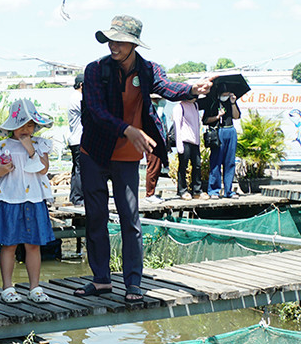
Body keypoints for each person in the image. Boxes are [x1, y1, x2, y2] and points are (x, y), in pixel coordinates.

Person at [77, 15, 210, 303]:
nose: (114, 45)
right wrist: (127, 129)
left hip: (126, 156)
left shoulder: (149, 70)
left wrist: (192, 90)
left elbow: (168, 88)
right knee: (96, 218)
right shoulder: (95, 70)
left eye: (120, 41)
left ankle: (133, 283)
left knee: (130, 219)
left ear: (133, 44)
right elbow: (97, 112)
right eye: (111, 39)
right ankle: (101, 280)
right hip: (94, 153)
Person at [0, 99, 55, 303]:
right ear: (11, 127)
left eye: (30, 124)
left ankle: (35, 287)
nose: (26, 129)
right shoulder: (1, 147)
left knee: (33, 244)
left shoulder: (40, 145)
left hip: (34, 199)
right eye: (21, 125)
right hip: (10, 199)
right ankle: (7, 287)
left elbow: (43, 169)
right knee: (9, 244)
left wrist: (30, 148)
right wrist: (1, 170)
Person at [205, 92, 242, 199]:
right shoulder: (212, 103)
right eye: (225, 92)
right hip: (218, 131)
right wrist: (217, 116)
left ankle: (228, 190)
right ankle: (214, 191)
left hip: (230, 130)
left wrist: (233, 103)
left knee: (230, 162)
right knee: (216, 162)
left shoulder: (231, 102)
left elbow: (236, 116)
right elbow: (206, 120)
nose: (227, 93)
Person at [171, 97, 205, 200]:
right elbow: (177, 125)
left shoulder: (195, 105)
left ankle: (197, 190)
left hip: (195, 141)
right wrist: (179, 144)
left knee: (197, 165)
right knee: (183, 166)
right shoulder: (179, 107)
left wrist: (198, 141)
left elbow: (197, 124)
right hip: (184, 140)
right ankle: (182, 190)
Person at [142, 100, 171, 204]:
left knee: (158, 167)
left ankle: (152, 193)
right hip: (152, 141)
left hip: (160, 142)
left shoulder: (160, 110)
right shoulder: (150, 108)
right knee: (153, 167)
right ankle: (149, 194)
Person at [67, 74, 85, 205]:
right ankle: (78, 198)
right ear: (82, 85)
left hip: (75, 138)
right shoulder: (78, 98)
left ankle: (75, 197)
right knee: (81, 169)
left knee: (77, 169)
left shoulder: (73, 97)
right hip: (80, 139)